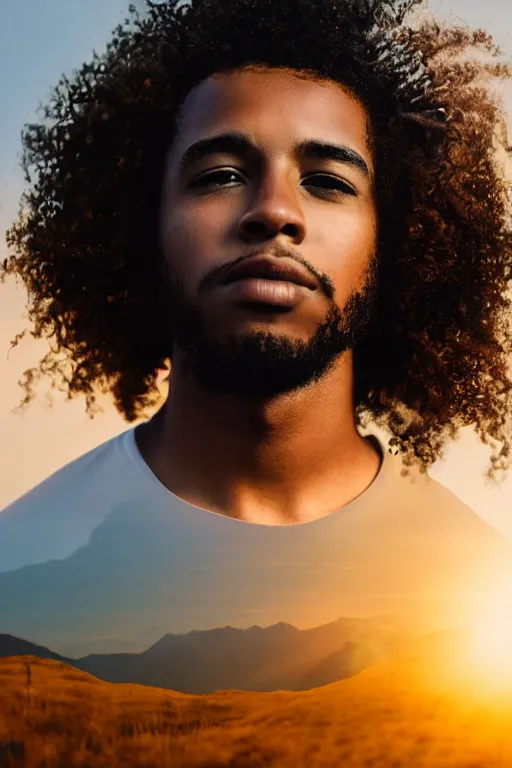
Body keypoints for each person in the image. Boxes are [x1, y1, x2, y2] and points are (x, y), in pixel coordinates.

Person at [1, 0, 512, 757]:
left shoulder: (488, 584)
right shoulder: (15, 569)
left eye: (329, 182)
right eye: (221, 174)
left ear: (396, 241)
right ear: (143, 224)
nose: (274, 211)